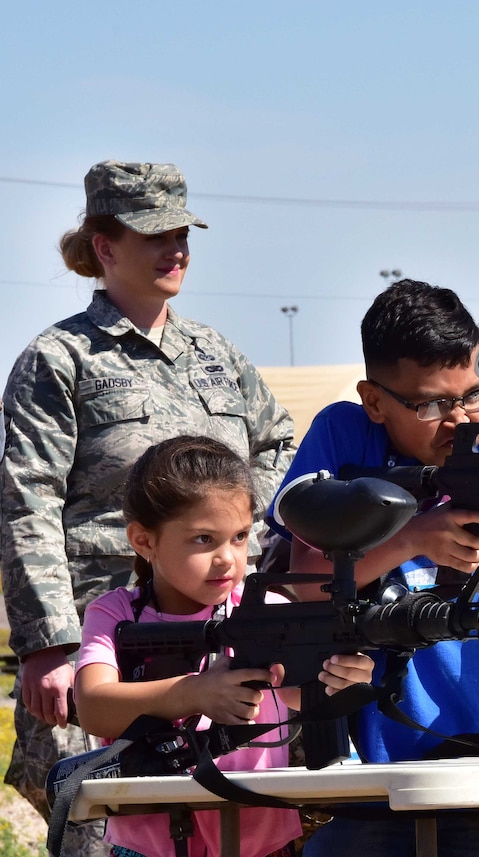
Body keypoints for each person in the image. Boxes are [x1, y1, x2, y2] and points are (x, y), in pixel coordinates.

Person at [0, 160, 294, 856]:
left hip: (220, 641)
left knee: (235, 824)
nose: (177, 249)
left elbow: (281, 449)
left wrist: (252, 560)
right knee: (106, 831)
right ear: (105, 247)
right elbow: (25, 498)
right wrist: (49, 642)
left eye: (184, 233)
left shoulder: (216, 354)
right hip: (104, 643)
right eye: (155, 234)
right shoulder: (59, 359)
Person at [270, 279, 479, 857]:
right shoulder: (347, 433)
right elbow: (308, 581)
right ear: (374, 400)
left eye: (473, 395)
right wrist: (413, 539)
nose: (460, 420)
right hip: (367, 772)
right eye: (430, 404)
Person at [72, 435, 372, 857]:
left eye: (239, 536)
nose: (228, 558)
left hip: (261, 843)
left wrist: (341, 681)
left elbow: (303, 694)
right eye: (203, 539)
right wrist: (194, 692)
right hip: (150, 846)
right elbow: (93, 706)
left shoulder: (269, 608)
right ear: (143, 540)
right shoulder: (116, 614)